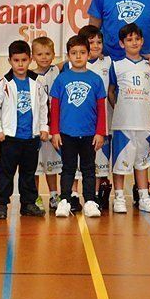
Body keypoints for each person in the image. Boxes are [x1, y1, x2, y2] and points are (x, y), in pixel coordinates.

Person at [49, 35, 107, 218]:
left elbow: (101, 109)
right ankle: (65, 200)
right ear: (68, 55)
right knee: (68, 168)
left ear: (89, 54)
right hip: (67, 133)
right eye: (74, 53)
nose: (78, 56)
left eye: (82, 52)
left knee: (89, 168)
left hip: (89, 133)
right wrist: (54, 131)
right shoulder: (61, 79)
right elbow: (55, 107)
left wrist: (100, 132)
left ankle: (90, 201)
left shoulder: (96, 79)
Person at [0, 40, 48, 219]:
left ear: (30, 59)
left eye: (24, 60)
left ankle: (28, 203)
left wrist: (44, 127)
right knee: (6, 171)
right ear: (10, 61)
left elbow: (44, 105)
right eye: (16, 60)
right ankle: (1, 203)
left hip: (31, 137)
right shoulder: (5, 83)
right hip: (10, 137)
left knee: (29, 172)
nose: (20, 64)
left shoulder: (37, 81)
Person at [109, 23, 150, 213]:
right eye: (129, 39)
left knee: (142, 161)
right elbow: (111, 91)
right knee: (121, 162)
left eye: (137, 39)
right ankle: (119, 197)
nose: (134, 42)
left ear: (143, 41)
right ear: (122, 43)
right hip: (123, 122)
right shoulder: (117, 65)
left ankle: (144, 195)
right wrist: (119, 107)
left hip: (144, 122)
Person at [77, 24, 114, 211]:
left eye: (99, 42)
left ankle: (98, 194)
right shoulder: (73, 64)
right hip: (80, 123)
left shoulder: (107, 62)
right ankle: (75, 195)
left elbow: (111, 90)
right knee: (78, 162)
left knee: (100, 162)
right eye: (92, 42)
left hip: (102, 122)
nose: (97, 45)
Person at [32, 36, 63, 211]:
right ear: (33, 56)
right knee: (35, 167)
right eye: (40, 54)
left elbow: (76, 56)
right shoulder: (29, 76)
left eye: (48, 53)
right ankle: (35, 196)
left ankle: (53, 195)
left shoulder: (58, 71)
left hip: (53, 127)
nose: (44, 57)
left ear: (53, 54)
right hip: (36, 128)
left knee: (52, 165)